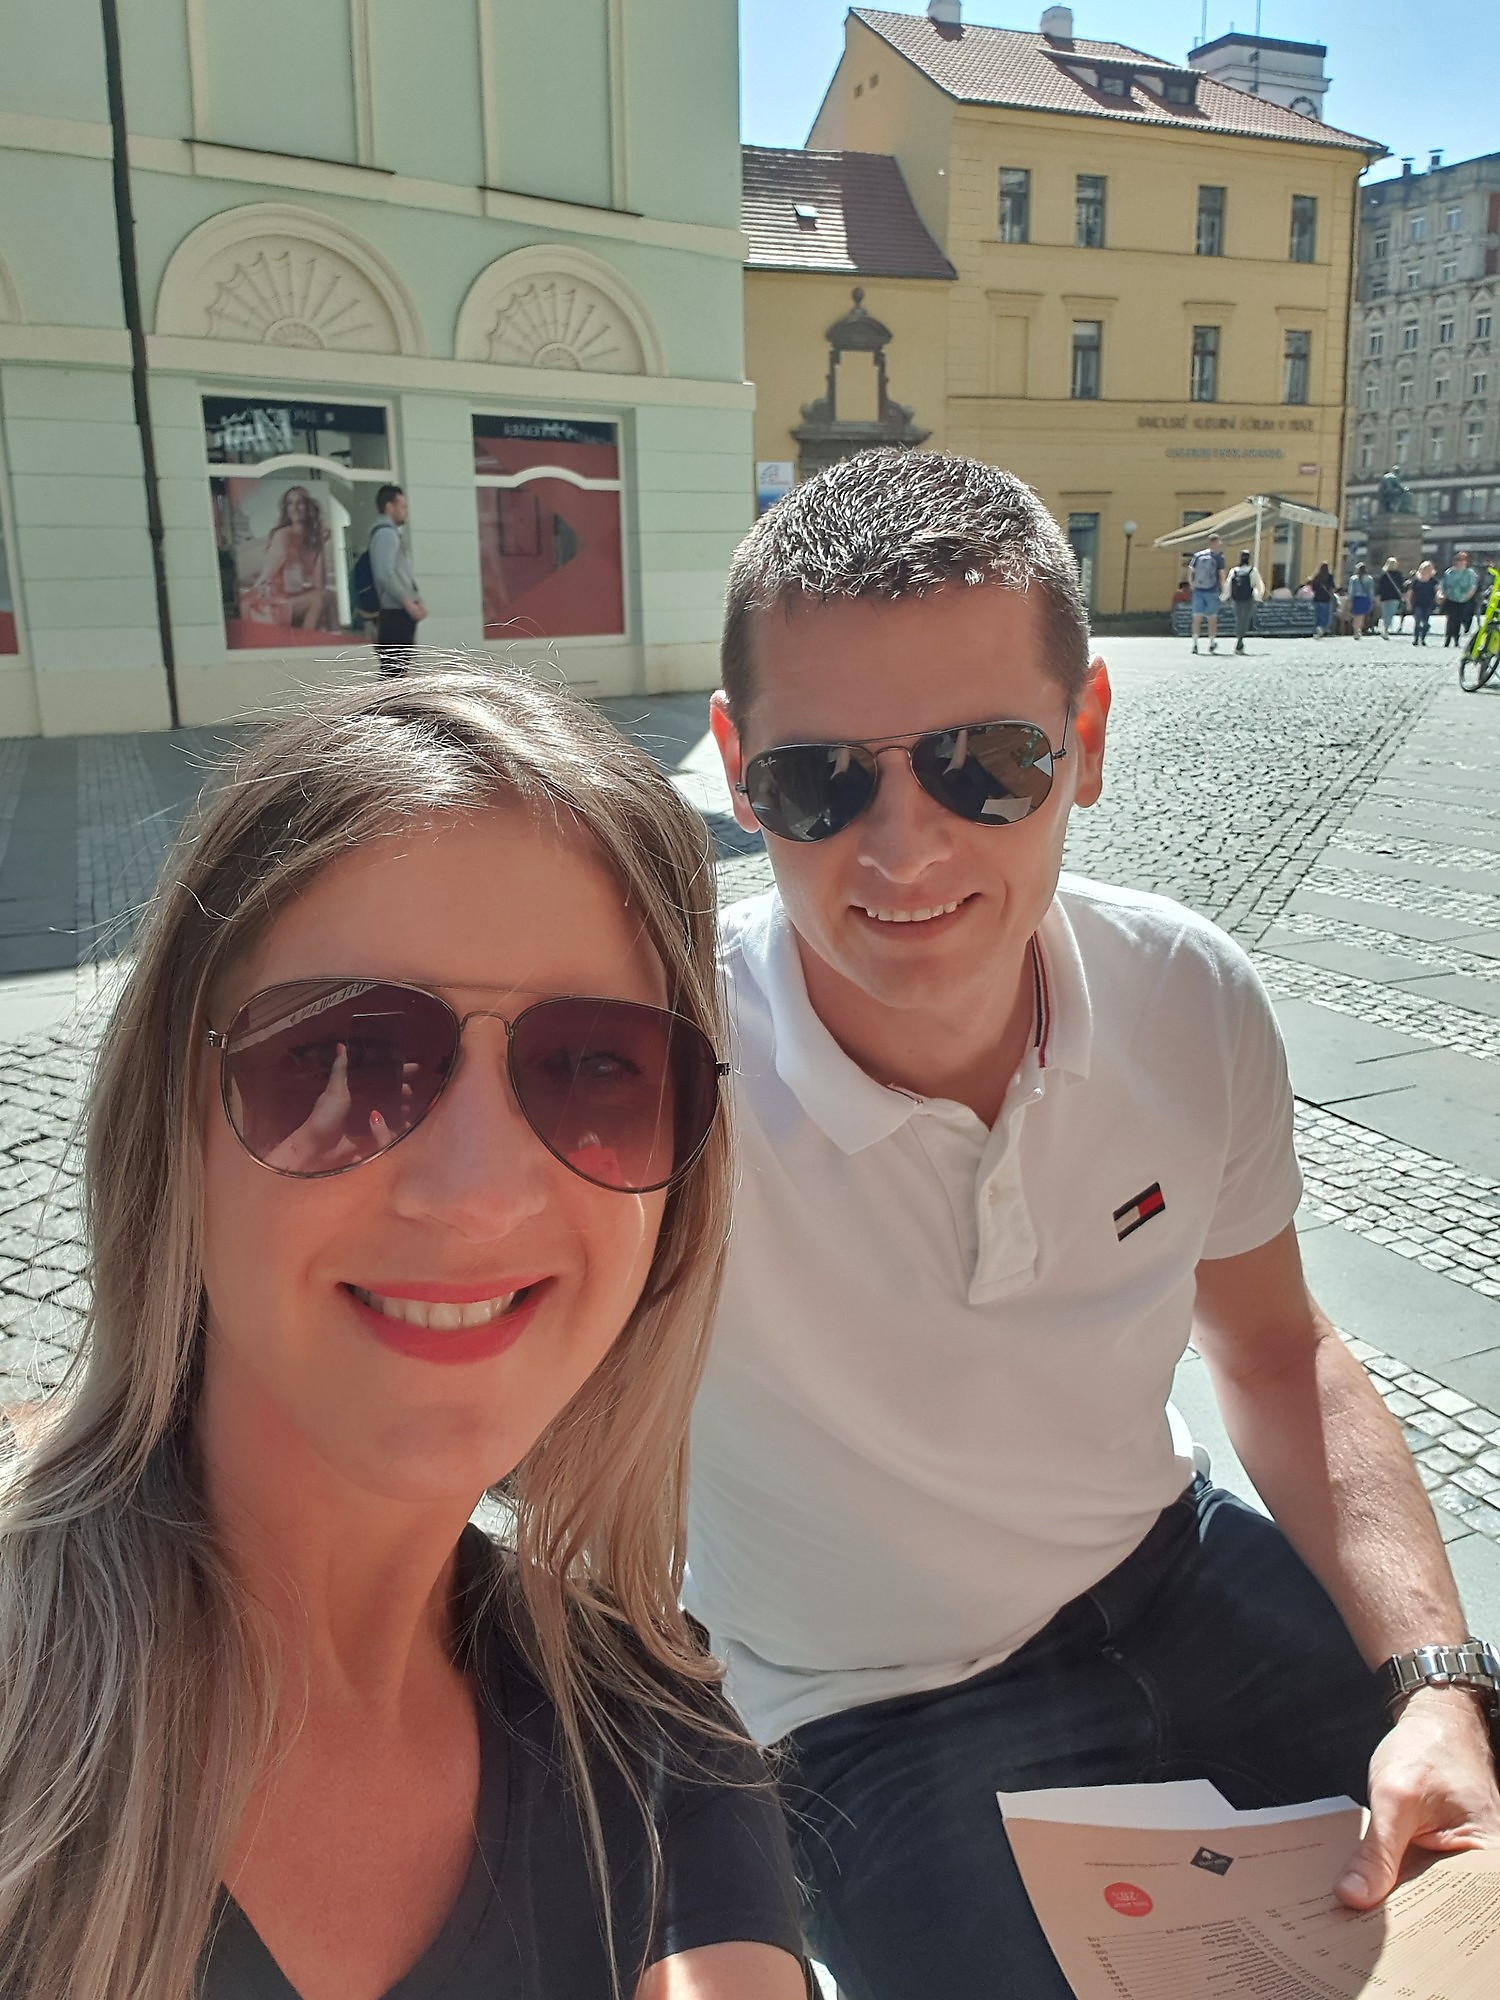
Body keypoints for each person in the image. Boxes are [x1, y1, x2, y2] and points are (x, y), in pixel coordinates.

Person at [691, 451, 1500, 2000]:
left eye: (987, 762)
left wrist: (1442, 1683)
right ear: (736, 766)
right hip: (863, 1708)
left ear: (1090, 738)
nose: (903, 849)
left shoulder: (1183, 994)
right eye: (818, 779)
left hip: (1175, 1570)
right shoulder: (662, 1071)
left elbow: (1274, 1351)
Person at [0, 670, 809, 2000]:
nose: (478, 1194)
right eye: (345, 1057)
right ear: (174, 1121)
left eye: (594, 1068)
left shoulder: (658, 1740)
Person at [250, 484, 336, 632]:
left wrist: (320, 543)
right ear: (286, 509)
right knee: (319, 599)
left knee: (329, 596)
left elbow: (319, 585)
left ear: (308, 507)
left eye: (300, 502)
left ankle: (332, 640)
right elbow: (267, 577)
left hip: (290, 598)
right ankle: (310, 640)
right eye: (290, 503)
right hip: (272, 601)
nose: (295, 508)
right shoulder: (283, 535)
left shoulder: (312, 540)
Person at [370, 484, 428, 675]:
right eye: (402, 506)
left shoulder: (392, 534)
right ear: (389, 507)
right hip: (394, 613)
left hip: (400, 612)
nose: (406, 511)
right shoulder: (385, 535)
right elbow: (384, 573)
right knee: (394, 672)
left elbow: (403, 574)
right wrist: (408, 603)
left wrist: (417, 600)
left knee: (399, 671)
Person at [1186, 534, 1224, 654]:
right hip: (1212, 590)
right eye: (1219, 542)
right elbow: (1221, 575)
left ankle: (1195, 644)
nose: (1220, 544)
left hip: (1198, 590)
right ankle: (1212, 642)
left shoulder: (1198, 555)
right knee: (1212, 618)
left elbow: (1190, 570)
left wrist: (1191, 584)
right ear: (1215, 543)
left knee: (1197, 617)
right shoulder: (1218, 557)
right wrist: (1223, 590)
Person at [1223, 546, 1264, 654]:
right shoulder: (1253, 570)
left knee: (1239, 620)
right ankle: (1240, 641)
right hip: (1248, 599)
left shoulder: (1234, 571)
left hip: (1236, 599)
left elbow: (1228, 585)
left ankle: (1239, 640)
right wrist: (1259, 597)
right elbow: (1259, 585)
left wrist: (1223, 597)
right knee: (1245, 620)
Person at [1441, 549, 1481, 647]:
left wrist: (1468, 596)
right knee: (1450, 619)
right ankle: (1447, 639)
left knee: (1458, 620)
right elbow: (1443, 585)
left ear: (1466, 561)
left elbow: (1473, 586)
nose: (1460, 562)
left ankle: (1456, 639)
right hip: (1450, 599)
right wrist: (1442, 594)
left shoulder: (1470, 573)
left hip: (1464, 600)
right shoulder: (1449, 572)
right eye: (1458, 560)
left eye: (1462, 560)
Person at [1408, 559, 1438, 646]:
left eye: (1429, 569)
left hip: (1428, 604)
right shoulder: (1416, 580)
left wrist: (1439, 597)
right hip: (1417, 604)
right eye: (1425, 568)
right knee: (1418, 621)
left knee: (1425, 622)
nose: (1427, 571)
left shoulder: (1433, 581)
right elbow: (1410, 592)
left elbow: (1438, 590)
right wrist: (1409, 603)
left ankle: (1423, 638)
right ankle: (1416, 639)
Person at [1303, 560, 1336, 637]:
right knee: (1324, 615)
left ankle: (1317, 629)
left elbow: (1313, 588)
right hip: (1326, 599)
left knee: (1317, 615)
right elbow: (1332, 587)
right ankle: (1322, 629)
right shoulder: (1330, 577)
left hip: (1317, 598)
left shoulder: (1316, 577)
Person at [1375, 556, 1406, 637]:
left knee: (1386, 614)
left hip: (1386, 597)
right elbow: (1401, 586)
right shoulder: (1398, 574)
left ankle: (1385, 629)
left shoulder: (1384, 574)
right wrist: (1403, 594)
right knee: (1389, 614)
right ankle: (1385, 629)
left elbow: (1379, 586)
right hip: (1394, 596)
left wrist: (1378, 596)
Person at [1347, 558, 1375, 639]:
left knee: (1356, 616)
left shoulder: (1353, 578)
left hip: (1356, 598)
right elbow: (1370, 591)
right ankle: (1359, 630)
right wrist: (1371, 600)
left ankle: (1356, 631)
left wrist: (1349, 600)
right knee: (1361, 616)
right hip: (1365, 598)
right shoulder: (1369, 579)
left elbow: (1351, 590)